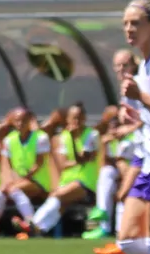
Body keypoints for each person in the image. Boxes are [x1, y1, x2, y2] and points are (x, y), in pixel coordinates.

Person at [95, 1, 150, 254]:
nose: (129, 29)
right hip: (147, 160)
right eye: (125, 24)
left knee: (149, 240)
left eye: (136, 23)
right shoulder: (144, 66)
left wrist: (139, 96)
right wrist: (138, 115)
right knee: (128, 240)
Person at [13, 102, 98, 238]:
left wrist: (73, 141)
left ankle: (32, 223)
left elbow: (83, 158)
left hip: (87, 184)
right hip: (69, 182)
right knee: (60, 204)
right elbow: (63, 163)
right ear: (68, 120)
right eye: (73, 118)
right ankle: (39, 230)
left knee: (57, 195)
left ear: (84, 118)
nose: (76, 121)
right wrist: (75, 160)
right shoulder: (64, 136)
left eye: (79, 118)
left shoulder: (92, 135)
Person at [0, 108, 52, 240]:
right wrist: (13, 180)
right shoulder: (9, 140)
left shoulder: (41, 137)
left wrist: (21, 179)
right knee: (1, 190)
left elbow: (39, 163)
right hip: (21, 180)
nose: (20, 124)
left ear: (29, 121)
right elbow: (9, 165)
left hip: (39, 181)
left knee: (13, 189)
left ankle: (31, 227)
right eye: (17, 121)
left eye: (23, 121)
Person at [85, 96, 140, 241]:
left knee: (123, 192)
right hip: (120, 175)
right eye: (111, 123)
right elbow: (103, 166)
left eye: (116, 122)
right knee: (106, 173)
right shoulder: (109, 139)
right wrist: (104, 145)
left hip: (135, 176)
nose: (114, 127)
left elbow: (129, 167)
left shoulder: (132, 138)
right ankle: (103, 218)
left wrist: (124, 181)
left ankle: (120, 231)